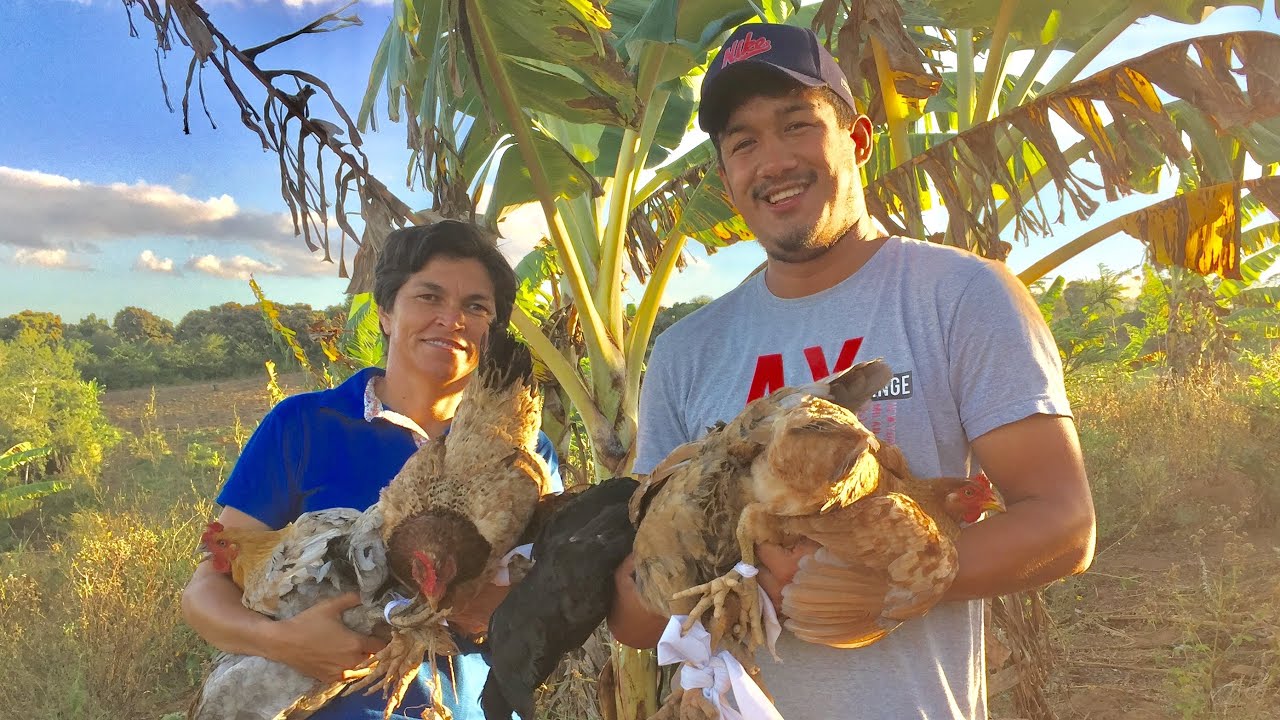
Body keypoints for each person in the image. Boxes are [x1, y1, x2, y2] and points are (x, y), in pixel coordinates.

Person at [607, 23, 1096, 720]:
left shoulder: (957, 295)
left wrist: (894, 578)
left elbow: (1063, 524)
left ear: (858, 140)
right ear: (726, 178)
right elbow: (641, 610)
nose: (772, 161)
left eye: (797, 126)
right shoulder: (687, 352)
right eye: (743, 143)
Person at [182, 220, 561, 720]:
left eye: (476, 307)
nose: (452, 319)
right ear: (386, 312)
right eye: (429, 297)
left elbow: (542, 600)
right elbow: (206, 589)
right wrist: (284, 641)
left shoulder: (524, 453)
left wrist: (484, 610)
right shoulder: (305, 425)